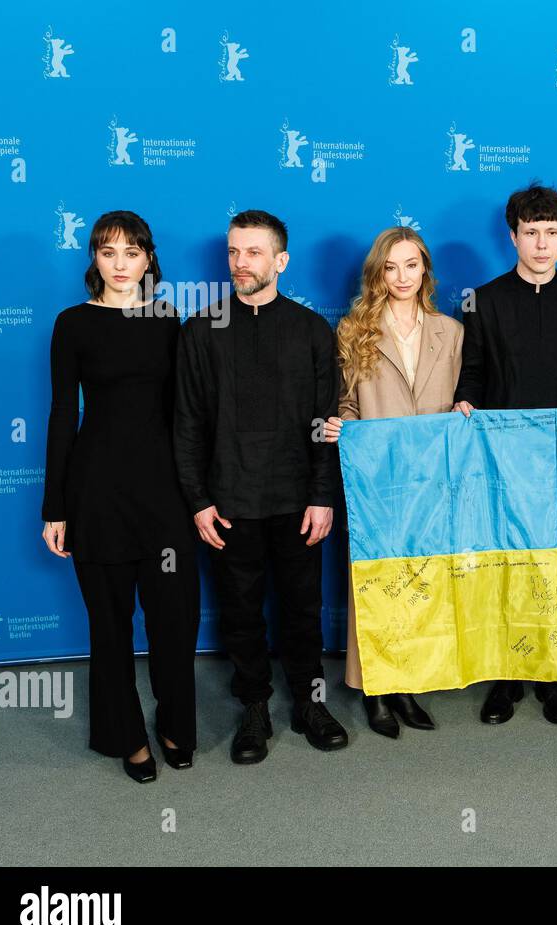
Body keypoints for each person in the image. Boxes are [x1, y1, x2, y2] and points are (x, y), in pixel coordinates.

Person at [175, 209, 347, 764]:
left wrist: (323, 496)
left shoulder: (311, 331)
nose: (240, 262)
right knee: (240, 612)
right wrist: (199, 500)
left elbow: (326, 422)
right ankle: (252, 709)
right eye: (233, 252)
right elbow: (188, 423)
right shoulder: (201, 331)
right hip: (229, 503)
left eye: (252, 252)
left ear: (281, 261)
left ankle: (308, 702)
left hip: (298, 501)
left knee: (302, 609)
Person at [42, 210, 199, 784]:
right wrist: (54, 507)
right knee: (109, 626)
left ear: (149, 260)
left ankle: (177, 722)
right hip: (96, 491)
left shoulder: (169, 323)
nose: (120, 264)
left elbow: (187, 416)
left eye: (131, 253)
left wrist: (199, 494)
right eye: (108, 252)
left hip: (164, 494)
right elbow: (63, 414)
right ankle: (126, 734)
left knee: (173, 620)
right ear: (94, 260)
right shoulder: (72, 324)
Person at [453, 182, 557, 726]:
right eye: (531, 233)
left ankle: (550, 675)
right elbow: (474, 370)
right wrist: (465, 402)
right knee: (506, 563)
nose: (541, 244)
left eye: (552, 234)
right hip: (502, 460)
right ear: (512, 236)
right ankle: (505, 675)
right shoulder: (485, 300)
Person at [323, 226, 462, 737]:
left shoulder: (451, 331)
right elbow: (346, 401)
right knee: (374, 580)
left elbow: (459, 399)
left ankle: (408, 683)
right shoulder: (353, 330)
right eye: (391, 266)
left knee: (421, 580)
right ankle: (376, 690)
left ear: (424, 269)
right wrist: (344, 423)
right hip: (376, 476)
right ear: (377, 273)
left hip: (433, 477)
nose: (402, 276)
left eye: (411, 264)